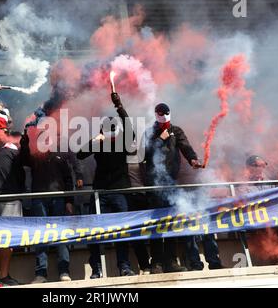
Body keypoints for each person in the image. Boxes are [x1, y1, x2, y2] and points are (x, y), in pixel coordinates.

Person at [77, 91, 136, 278]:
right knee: (95, 231)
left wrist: (119, 106)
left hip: (119, 191)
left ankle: (124, 265)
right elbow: (80, 154)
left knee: (122, 230)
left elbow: (130, 130)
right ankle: (96, 268)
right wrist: (94, 140)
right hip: (100, 192)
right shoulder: (99, 142)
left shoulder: (122, 142)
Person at [143, 103, 202, 273]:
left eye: (166, 113)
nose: (164, 115)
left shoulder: (176, 130)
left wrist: (193, 160)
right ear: (156, 114)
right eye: (161, 113)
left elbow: (185, 147)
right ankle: (156, 262)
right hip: (155, 184)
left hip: (171, 183)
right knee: (157, 224)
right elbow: (145, 153)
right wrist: (160, 138)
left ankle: (171, 260)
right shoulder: (150, 132)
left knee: (171, 222)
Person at [28, 131, 74, 283]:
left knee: (61, 234)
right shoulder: (34, 158)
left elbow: (69, 180)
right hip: (39, 200)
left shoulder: (59, 157)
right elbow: (22, 158)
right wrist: (24, 142)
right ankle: (41, 274)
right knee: (41, 236)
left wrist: (69, 201)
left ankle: (64, 271)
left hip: (59, 199)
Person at [0, 129, 30, 287]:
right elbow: (26, 164)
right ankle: (3, 278)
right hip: (10, 200)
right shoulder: (13, 154)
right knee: (9, 241)